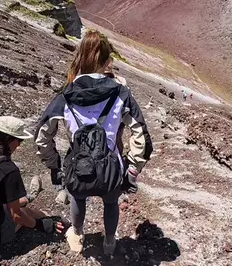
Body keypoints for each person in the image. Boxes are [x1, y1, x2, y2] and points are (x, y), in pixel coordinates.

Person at [35, 31, 153, 255]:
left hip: (78, 167)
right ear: (108, 63)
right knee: (111, 203)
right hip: (111, 169)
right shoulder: (121, 93)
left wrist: (53, 165)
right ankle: (109, 243)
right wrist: (133, 168)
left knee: (77, 198)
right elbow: (141, 134)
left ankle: (78, 236)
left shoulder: (65, 95)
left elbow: (42, 135)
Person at [0, 116, 65, 246]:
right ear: (10, 140)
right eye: (19, 141)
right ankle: (46, 215)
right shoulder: (9, 169)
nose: (18, 145)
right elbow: (16, 216)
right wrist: (41, 225)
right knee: (25, 212)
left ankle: (29, 197)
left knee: (19, 202)